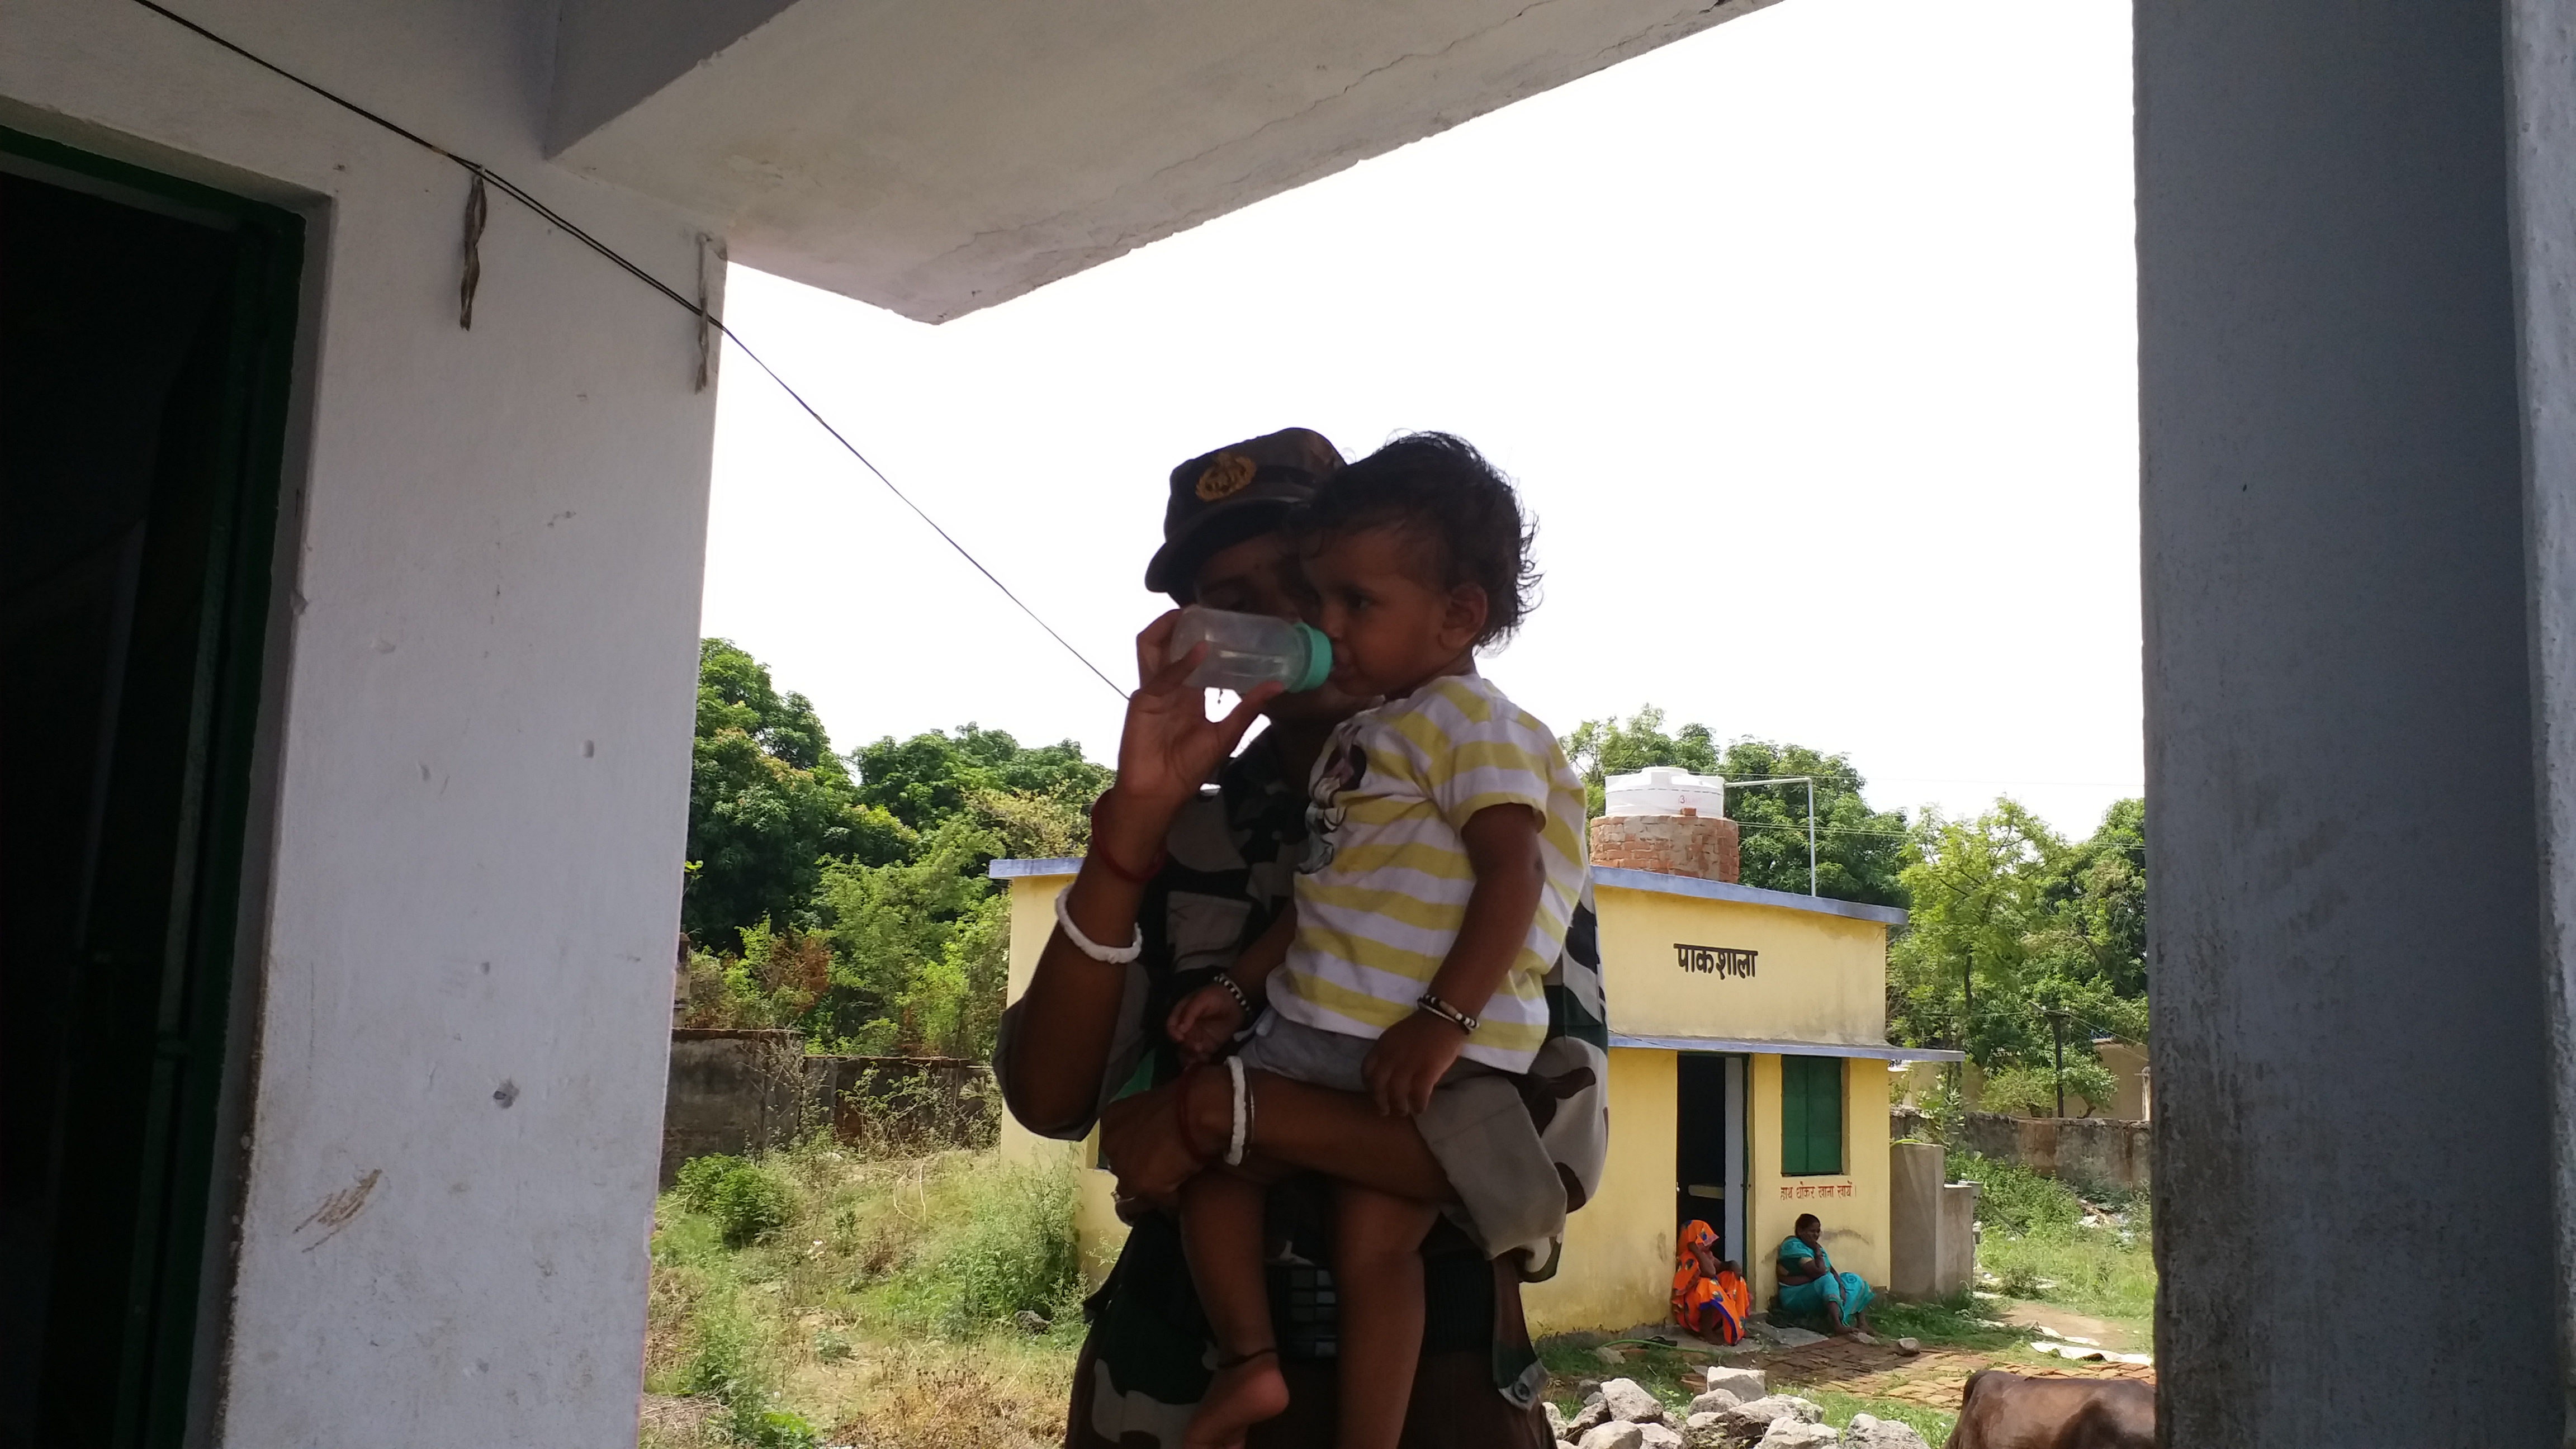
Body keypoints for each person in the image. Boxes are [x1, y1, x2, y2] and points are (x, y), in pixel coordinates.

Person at [993, 429, 1609, 1449]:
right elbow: (1049, 1097)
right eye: (1239, 597)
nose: (1298, 620)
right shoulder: (1182, 833)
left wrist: (1216, 1115)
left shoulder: (1497, 817)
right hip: (1173, 1396)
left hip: (1438, 1401)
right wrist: (1129, 838)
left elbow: (1536, 1175)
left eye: (1311, 582)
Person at [1161, 433, 1591, 1449]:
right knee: (1289, 1206)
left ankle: (1329, 1415)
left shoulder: (1475, 724)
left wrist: (1439, 1024)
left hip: (1404, 1047)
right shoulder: (1373, 738)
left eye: (1354, 603)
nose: (1325, 628)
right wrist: (1235, 980)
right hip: (1335, 1020)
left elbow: (1514, 876)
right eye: (1322, 600)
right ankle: (1259, 1368)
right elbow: (1326, 901)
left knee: (1269, 1189)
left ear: (1456, 615)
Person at [1774, 1213, 1877, 1337]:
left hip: (1816, 1288)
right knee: (1827, 1280)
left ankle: (1862, 1323)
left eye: (1818, 1232)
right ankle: (1837, 1324)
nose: (1816, 1235)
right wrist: (1817, 1251)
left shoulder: (1814, 1247)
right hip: (1795, 1295)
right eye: (1812, 1231)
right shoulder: (1793, 1247)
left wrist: (1841, 1286)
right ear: (1800, 1231)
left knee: (1853, 1279)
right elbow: (1820, 1272)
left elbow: (1831, 1269)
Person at [1670, 1220, 1749, 1345]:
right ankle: (1706, 1332)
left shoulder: (1706, 1255)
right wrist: (1695, 1250)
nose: (1709, 1243)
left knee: (1733, 1277)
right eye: (1704, 1239)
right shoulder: (1688, 1257)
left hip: (1707, 1311)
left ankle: (1738, 1326)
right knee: (1708, 1284)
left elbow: (1721, 1266)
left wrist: (1732, 1265)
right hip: (1692, 1316)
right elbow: (1711, 1272)